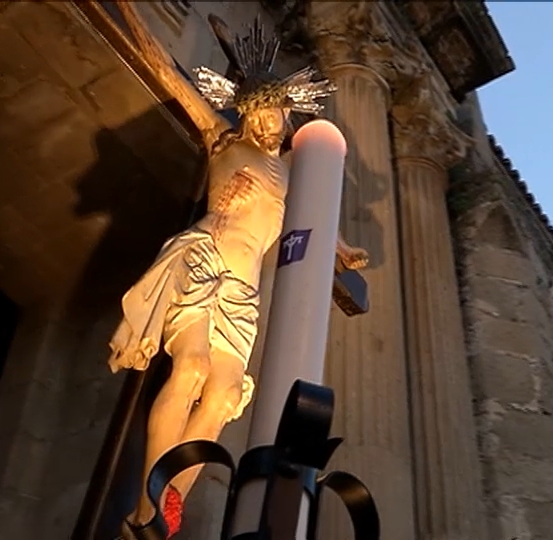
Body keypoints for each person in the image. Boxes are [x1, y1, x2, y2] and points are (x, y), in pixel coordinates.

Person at [108, 4, 367, 539]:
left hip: (243, 289)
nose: (271, 123)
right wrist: (131, 18)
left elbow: (322, 225)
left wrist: (344, 253)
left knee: (225, 397)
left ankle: (171, 501)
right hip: (205, 258)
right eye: (262, 113)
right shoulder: (224, 142)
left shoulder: (293, 176)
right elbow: (168, 73)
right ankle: (147, 499)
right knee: (192, 368)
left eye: (278, 115)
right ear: (247, 112)